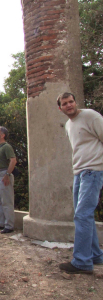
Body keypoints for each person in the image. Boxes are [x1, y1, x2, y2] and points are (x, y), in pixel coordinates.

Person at [57, 92, 103, 274]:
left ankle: (82, 261)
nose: (69, 105)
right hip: (79, 172)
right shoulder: (69, 124)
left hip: (93, 171)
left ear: (75, 102)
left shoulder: (90, 116)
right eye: (65, 103)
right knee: (84, 215)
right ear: (60, 108)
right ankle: (95, 255)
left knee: (82, 215)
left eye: (71, 101)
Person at [0, 126, 17, 234]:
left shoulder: (6, 146)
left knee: (7, 202)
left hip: (3, 176)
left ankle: (9, 225)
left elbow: (13, 160)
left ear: (3, 135)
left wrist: (7, 175)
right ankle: (1, 223)